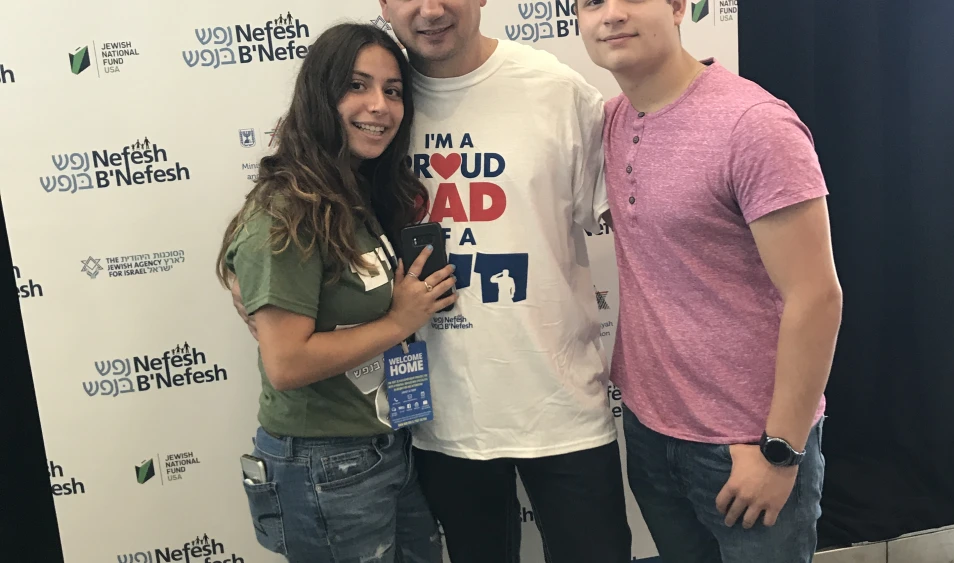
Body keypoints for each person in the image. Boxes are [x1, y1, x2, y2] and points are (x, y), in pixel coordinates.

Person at [232, 2, 632, 561]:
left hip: (560, 409)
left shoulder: (556, 90)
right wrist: (244, 271)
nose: (431, 8)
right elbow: (302, 206)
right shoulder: (380, 112)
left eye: (388, 92)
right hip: (437, 423)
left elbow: (636, 223)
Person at [577, 1, 843, 562]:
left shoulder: (752, 125)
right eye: (591, 1)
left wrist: (780, 450)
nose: (611, 15)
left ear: (677, 7)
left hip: (747, 446)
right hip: (651, 432)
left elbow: (816, 297)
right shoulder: (614, 121)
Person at [217, 23, 457, 563]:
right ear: (321, 96)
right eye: (357, 86)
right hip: (325, 462)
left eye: (392, 91)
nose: (379, 106)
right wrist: (399, 321)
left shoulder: (351, 197)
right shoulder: (286, 212)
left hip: (384, 449)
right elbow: (286, 362)